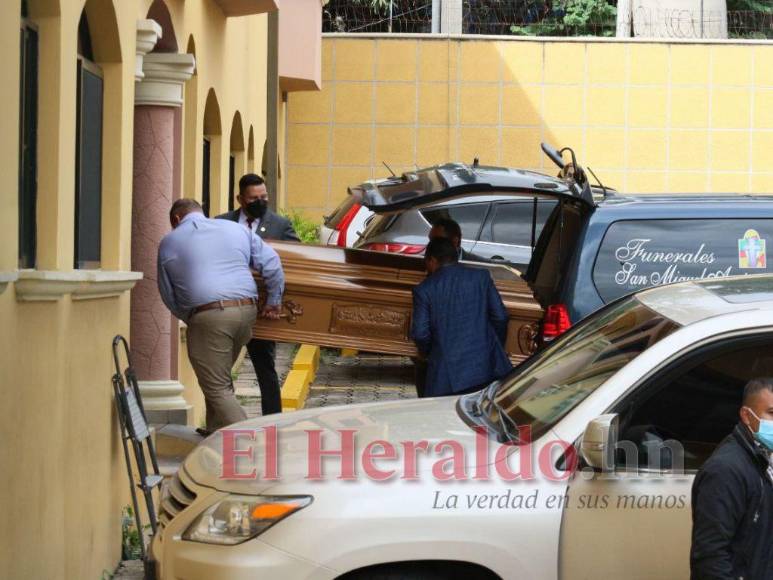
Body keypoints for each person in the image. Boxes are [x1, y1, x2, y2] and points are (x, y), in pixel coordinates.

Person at [157, 199, 285, 434]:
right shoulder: (236, 229)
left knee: (215, 385)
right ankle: (216, 430)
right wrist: (274, 301)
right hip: (247, 312)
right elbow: (272, 263)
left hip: (209, 314)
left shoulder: (169, 242)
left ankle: (251, 442)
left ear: (176, 219)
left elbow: (168, 293)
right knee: (220, 376)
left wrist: (192, 318)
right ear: (201, 213)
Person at [216, 173, 298, 415]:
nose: (261, 202)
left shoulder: (280, 225)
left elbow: (294, 259)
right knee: (220, 369)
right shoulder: (222, 223)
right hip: (228, 304)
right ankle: (220, 419)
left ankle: (272, 420)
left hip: (262, 311)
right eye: (254, 198)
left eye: (264, 197)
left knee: (265, 368)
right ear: (240, 199)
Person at [690, 377, 773, 580]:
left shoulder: (763, 458)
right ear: (746, 415)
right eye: (772, 413)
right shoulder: (725, 471)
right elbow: (711, 557)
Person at [410, 237, 512, 397]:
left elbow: (420, 333)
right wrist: (491, 344)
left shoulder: (424, 289)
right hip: (485, 369)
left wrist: (432, 353)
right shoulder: (481, 278)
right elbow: (500, 317)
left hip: (445, 378)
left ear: (432, 260)